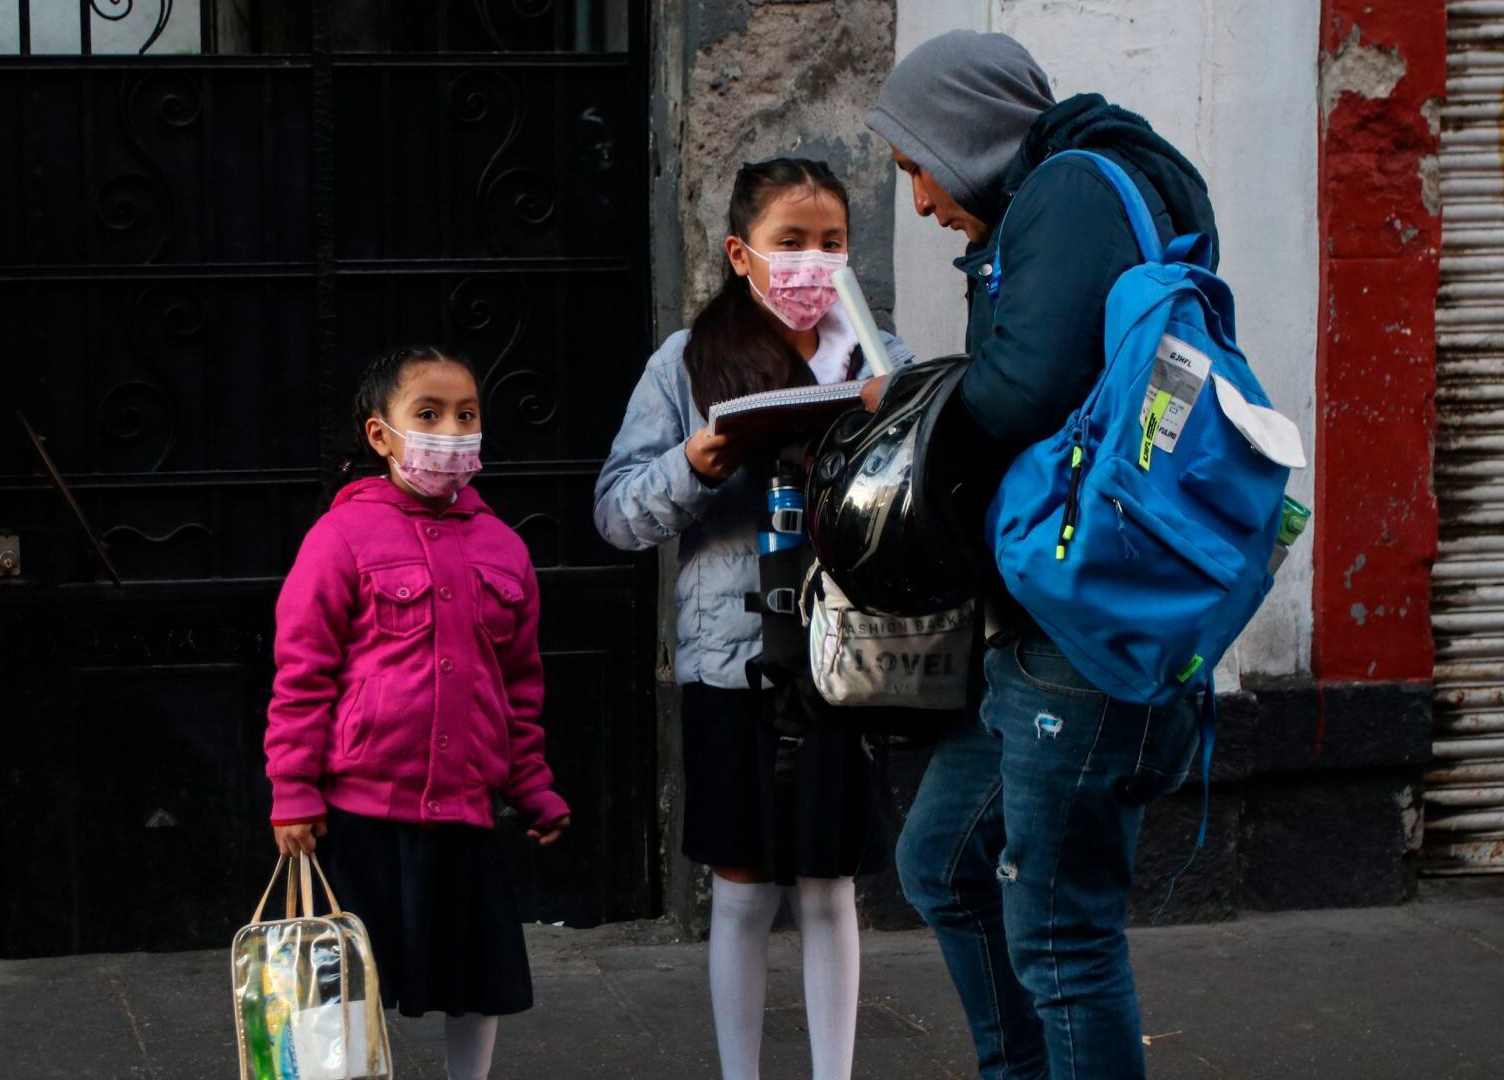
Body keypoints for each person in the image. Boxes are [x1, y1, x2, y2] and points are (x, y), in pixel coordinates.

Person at [862, 30, 1215, 1080]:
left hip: (1083, 625)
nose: (922, 201)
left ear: (965, 136)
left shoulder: (1068, 191)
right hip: (1045, 613)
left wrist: (909, 404)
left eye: (920, 165)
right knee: (941, 861)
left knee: (1063, 936)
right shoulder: (1067, 194)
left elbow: (1020, 391)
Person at [593, 158, 916, 1080]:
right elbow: (615, 513)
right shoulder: (686, 361)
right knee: (740, 886)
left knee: (827, 883)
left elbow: (923, 495)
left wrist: (888, 431)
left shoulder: (878, 354)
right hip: (732, 660)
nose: (812, 262)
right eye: (790, 242)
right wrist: (692, 466)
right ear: (742, 253)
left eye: (831, 242)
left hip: (844, 652)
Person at [264, 346, 571, 1080]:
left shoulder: (503, 548)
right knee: (345, 987)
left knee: (479, 978)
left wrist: (532, 785)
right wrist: (293, 789)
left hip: (466, 809)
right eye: (427, 415)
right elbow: (303, 675)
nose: (450, 431)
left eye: (466, 415)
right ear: (380, 434)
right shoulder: (340, 538)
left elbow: (519, 687)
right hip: (361, 815)